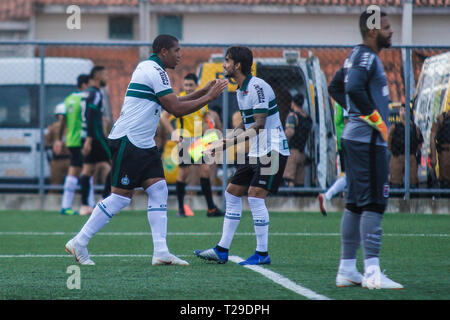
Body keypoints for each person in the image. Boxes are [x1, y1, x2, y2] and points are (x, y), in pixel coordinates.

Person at [64, 34, 228, 265]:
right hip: (128, 140)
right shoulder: (154, 70)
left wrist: (204, 91)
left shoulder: (155, 70)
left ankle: (161, 252)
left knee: (159, 189)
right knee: (121, 198)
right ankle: (79, 242)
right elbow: (176, 108)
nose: (180, 54)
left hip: (143, 143)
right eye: (177, 50)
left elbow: (175, 102)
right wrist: (209, 95)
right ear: (163, 51)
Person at [194, 46, 290, 265]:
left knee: (255, 195)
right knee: (232, 192)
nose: (224, 65)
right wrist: (222, 140)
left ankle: (262, 254)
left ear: (237, 65)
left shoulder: (258, 87)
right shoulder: (240, 90)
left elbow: (259, 125)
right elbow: (245, 124)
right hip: (257, 151)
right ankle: (222, 249)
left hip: (272, 149)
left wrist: (226, 142)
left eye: (227, 61)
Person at [328, 10, 403, 289]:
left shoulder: (355, 56)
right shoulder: (366, 57)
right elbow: (354, 87)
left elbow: (335, 86)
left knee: (355, 204)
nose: (391, 31)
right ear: (372, 31)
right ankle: (372, 271)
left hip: (356, 138)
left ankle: (347, 269)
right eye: (386, 26)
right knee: (373, 203)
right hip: (367, 141)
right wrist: (375, 122)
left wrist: (353, 112)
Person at [160, 73, 224, 217]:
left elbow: (205, 118)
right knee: (183, 174)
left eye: (191, 85)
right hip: (185, 142)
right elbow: (164, 117)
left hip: (199, 142)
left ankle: (211, 208)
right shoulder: (178, 100)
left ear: (197, 86)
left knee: (205, 171)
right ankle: (181, 208)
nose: (188, 88)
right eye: (186, 85)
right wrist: (174, 133)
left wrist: (210, 129)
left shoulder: (203, 101)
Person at [55, 74, 95, 216]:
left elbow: (62, 122)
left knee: (77, 170)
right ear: (84, 84)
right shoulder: (86, 99)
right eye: (90, 83)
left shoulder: (68, 99)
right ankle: (88, 204)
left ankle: (67, 206)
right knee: (86, 171)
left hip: (71, 141)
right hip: (83, 140)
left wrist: (59, 139)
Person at [78, 66, 112, 216]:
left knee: (88, 170)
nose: (107, 77)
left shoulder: (87, 93)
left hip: (86, 136)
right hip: (96, 137)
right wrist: (90, 140)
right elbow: (91, 115)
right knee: (116, 162)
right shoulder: (96, 94)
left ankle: (84, 205)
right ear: (97, 76)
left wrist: (86, 139)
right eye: (105, 74)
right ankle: (105, 201)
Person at [317, 101, 348, 216]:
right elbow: (347, 122)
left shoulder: (338, 102)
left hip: (343, 143)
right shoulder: (346, 100)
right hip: (350, 143)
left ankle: (327, 196)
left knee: (349, 175)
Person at [388, 104, 423, 188]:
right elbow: (388, 141)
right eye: (401, 110)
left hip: (411, 157)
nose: (403, 112)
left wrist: (414, 152)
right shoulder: (394, 127)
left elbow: (420, 142)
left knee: (412, 181)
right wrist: (393, 152)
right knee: (395, 181)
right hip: (397, 156)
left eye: (405, 110)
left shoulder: (415, 128)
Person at [282, 93, 312, 187]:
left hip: (292, 152)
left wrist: (283, 145)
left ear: (293, 103)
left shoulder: (292, 116)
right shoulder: (307, 118)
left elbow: (289, 132)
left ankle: (289, 201)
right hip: (302, 152)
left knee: (290, 180)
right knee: (300, 182)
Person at [44, 103, 71, 187]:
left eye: (63, 115)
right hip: (56, 160)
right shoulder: (52, 127)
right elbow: (46, 143)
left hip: (70, 159)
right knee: (55, 184)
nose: (61, 117)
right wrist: (54, 145)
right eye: (59, 115)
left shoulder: (72, 127)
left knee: (71, 185)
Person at [430, 107, 450, 189]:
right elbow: (432, 137)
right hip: (444, 152)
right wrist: (433, 156)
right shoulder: (440, 118)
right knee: (445, 181)